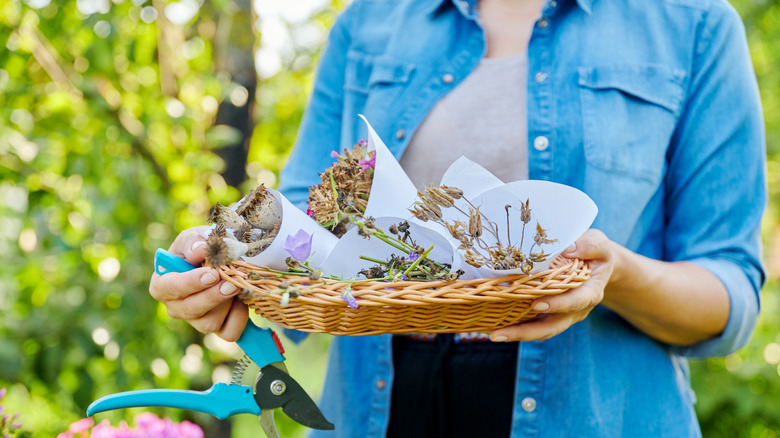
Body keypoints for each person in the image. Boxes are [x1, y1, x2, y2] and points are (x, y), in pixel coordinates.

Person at [150, 0, 766, 436]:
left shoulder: (694, 26)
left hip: (593, 413)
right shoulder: (369, 24)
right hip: (378, 407)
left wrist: (617, 275)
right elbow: (309, 225)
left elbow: (729, 295)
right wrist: (226, 254)